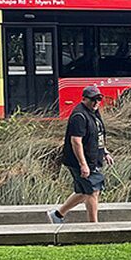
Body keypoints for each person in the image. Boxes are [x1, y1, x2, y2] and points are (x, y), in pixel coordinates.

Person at [48, 86, 113, 224]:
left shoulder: (94, 112)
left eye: (98, 99)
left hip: (93, 158)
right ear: (84, 99)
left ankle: (57, 215)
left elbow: (97, 135)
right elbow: (76, 142)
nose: (96, 103)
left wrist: (105, 151)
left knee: (83, 191)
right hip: (81, 161)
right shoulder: (79, 116)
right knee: (92, 191)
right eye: (93, 100)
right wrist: (83, 164)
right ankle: (93, 227)